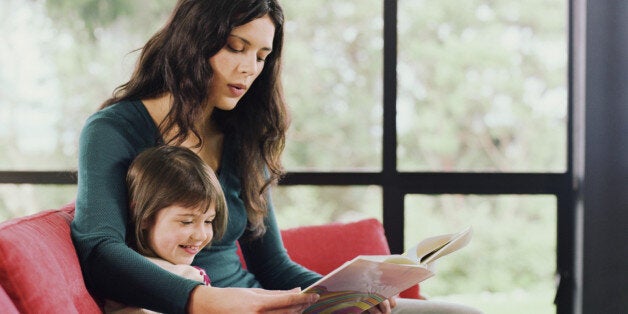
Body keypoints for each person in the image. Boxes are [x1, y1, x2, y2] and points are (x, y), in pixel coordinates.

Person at [72, 0, 481, 313]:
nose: (250, 68)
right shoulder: (113, 130)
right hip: (219, 306)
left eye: (262, 56)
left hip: (267, 303)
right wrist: (205, 300)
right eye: (236, 47)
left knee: (463, 312)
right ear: (192, 43)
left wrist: (347, 296)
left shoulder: (243, 135)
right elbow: (99, 251)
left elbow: (274, 267)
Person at [104, 145, 227, 313]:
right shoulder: (137, 282)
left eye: (208, 221)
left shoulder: (181, 273)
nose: (201, 235)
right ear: (145, 216)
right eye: (187, 221)